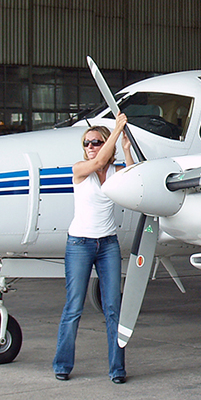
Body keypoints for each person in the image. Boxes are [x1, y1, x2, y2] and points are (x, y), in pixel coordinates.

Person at [53, 113, 135, 384]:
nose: (90, 147)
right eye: (87, 143)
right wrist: (117, 128)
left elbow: (134, 179)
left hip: (108, 244)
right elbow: (99, 161)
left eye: (95, 142)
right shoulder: (80, 169)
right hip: (79, 243)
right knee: (73, 306)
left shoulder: (112, 172)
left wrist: (125, 149)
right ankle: (62, 364)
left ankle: (117, 369)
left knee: (113, 308)